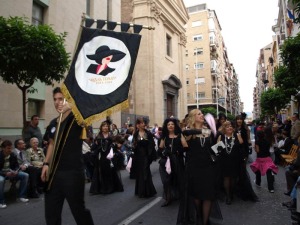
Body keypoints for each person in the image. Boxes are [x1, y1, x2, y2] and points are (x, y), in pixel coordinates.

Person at [41, 87, 94, 225]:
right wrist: (46, 164)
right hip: (54, 176)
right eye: (55, 99)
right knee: (51, 215)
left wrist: (73, 106)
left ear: (67, 100)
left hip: (73, 174)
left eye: (61, 99)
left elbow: (87, 115)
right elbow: (51, 144)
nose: (57, 102)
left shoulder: (76, 120)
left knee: (79, 212)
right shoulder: (53, 123)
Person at [177, 109, 220, 225]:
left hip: (208, 167)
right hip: (193, 167)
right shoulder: (188, 132)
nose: (202, 115)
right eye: (199, 114)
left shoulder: (208, 131)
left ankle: (205, 222)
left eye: (202, 114)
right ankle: (199, 215)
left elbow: (212, 150)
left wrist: (221, 146)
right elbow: (184, 147)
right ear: (193, 117)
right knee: (196, 195)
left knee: (208, 195)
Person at [158, 118, 188, 207]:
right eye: (168, 124)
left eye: (172, 124)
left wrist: (178, 151)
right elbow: (160, 149)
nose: (170, 126)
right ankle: (168, 198)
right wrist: (164, 153)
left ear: (175, 126)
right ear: (166, 127)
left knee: (180, 179)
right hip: (167, 162)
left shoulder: (179, 135)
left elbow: (186, 147)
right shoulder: (164, 136)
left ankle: (183, 198)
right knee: (167, 180)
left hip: (178, 161)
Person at [89, 121, 123, 194]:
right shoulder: (98, 136)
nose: (105, 127)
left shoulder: (111, 136)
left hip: (109, 157)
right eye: (104, 126)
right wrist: (96, 145)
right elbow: (93, 148)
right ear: (101, 127)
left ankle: (110, 187)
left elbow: (115, 145)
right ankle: (102, 188)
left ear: (108, 128)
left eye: (106, 126)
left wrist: (117, 146)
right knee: (101, 172)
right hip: (101, 157)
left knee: (110, 172)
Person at [217, 121, 244, 205]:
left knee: (233, 179)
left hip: (235, 161)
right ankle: (228, 196)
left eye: (231, 126)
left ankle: (231, 193)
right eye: (227, 126)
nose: (229, 128)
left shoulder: (236, 135)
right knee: (226, 178)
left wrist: (238, 136)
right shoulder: (221, 137)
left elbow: (241, 144)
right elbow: (217, 149)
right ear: (224, 128)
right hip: (224, 161)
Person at [132, 117, 157, 198]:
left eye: (144, 123)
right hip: (138, 156)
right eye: (141, 123)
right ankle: (140, 190)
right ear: (138, 125)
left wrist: (149, 155)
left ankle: (146, 191)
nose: (143, 124)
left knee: (145, 171)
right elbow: (134, 143)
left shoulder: (148, 133)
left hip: (146, 155)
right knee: (140, 172)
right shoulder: (135, 134)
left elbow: (152, 144)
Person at [0, 140, 29, 207]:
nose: (10, 150)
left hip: (11, 172)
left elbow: (16, 166)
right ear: (3, 148)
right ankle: (1, 201)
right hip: (2, 173)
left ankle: (22, 196)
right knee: (1, 180)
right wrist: (5, 173)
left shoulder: (12, 155)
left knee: (25, 175)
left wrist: (16, 171)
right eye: (8, 148)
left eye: (11, 148)